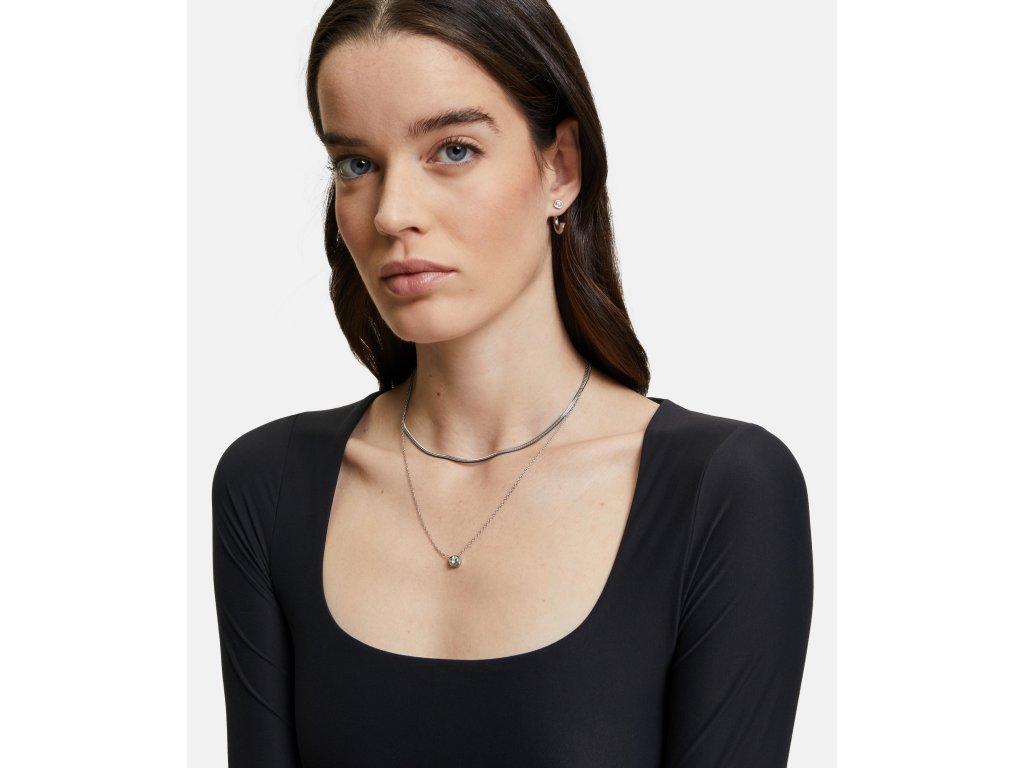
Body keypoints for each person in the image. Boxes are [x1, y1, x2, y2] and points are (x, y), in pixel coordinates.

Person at [212, 1, 814, 765]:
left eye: (452, 149)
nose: (393, 214)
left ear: (560, 167)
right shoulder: (268, 487)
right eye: (356, 164)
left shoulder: (722, 491)